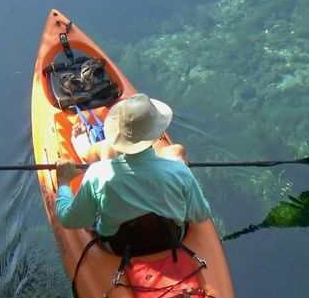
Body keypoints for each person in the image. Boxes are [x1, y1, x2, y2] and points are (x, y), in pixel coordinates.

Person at [55, 93, 211, 245]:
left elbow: (69, 220)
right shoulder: (180, 172)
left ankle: (85, 149)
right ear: (157, 134)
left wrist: (63, 182)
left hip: (116, 245)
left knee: (91, 217)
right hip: (171, 239)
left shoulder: (96, 174)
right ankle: (87, 148)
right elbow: (201, 214)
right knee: (176, 152)